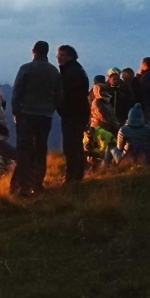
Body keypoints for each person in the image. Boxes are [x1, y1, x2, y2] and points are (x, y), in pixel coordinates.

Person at [10, 41, 63, 195]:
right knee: (41, 148)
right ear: (47, 52)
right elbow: (59, 95)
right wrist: (50, 108)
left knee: (24, 149)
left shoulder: (26, 68)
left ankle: (22, 186)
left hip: (26, 115)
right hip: (45, 116)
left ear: (34, 51)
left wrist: (16, 112)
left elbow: (17, 92)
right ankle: (38, 184)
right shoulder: (54, 71)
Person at [56, 45, 90, 183]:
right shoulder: (76, 69)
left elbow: (69, 95)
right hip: (78, 112)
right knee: (75, 145)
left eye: (62, 55)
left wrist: (61, 109)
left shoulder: (71, 72)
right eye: (58, 55)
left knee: (71, 146)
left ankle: (72, 177)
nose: (59, 57)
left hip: (73, 114)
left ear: (70, 56)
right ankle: (76, 175)